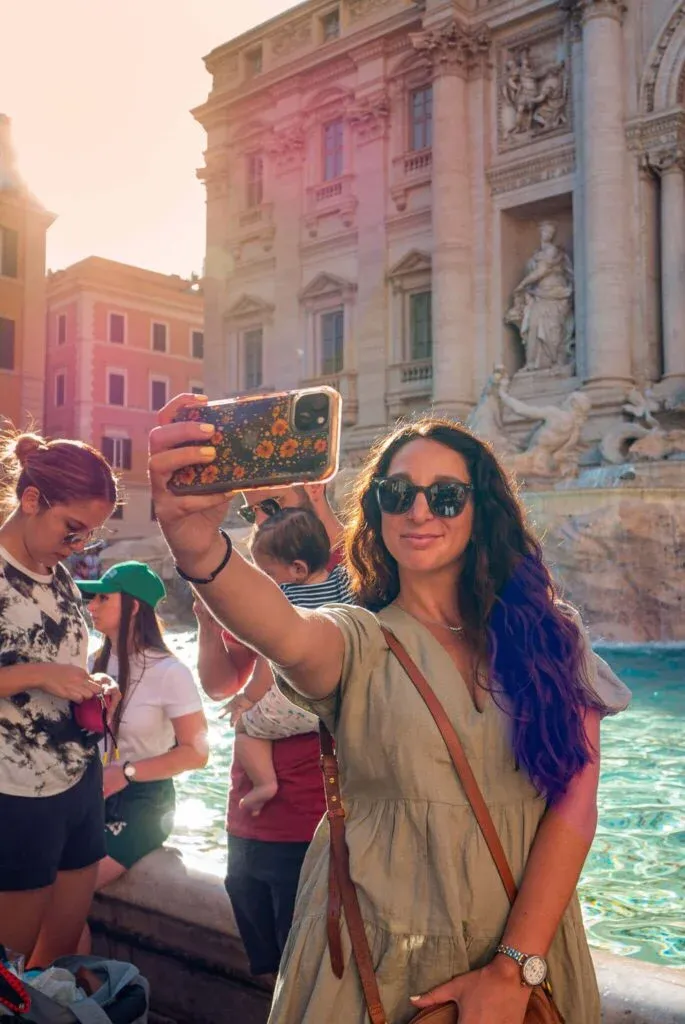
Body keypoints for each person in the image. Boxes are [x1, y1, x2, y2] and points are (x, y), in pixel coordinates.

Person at [150, 396, 631, 1024]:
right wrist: (195, 544)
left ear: (481, 509)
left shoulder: (550, 638)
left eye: (445, 496)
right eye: (396, 493)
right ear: (375, 509)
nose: (419, 511)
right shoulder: (356, 639)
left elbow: (576, 801)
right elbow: (285, 632)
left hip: (525, 950)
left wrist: (513, 970)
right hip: (375, 955)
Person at [193, 482, 342, 978]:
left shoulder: (346, 578)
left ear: (314, 498)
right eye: (252, 509)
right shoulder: (264, 587)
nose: (259, 518)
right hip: (250, 819)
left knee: (313, 976)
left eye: (272, 506)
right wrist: (207, 619)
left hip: (314, 815)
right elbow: (218, 685)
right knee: (276, 974)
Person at [0, 430, 119, 966]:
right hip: (15, 794)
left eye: (87, 538)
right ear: (31, 500)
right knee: (10, 967)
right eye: (71, 530)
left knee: (62, 951)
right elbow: (44, 670)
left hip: (78, 778)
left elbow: (66, 664)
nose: (76, 548)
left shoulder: (63, 577)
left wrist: (94, 683)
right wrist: (41, 674)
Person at [75, 561, 208, 931]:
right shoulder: (91, 663)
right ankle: (62, 982)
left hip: (143, 804)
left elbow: (196, 752)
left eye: (103, 598)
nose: (91, 607)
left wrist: (127, 773)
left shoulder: (171, 673)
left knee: (65, 893)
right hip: (90, 799)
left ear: (134, 606)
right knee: (47, 892)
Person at [232, 508, 353, 815]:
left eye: (268, 573)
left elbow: (267, 662)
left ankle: (264, 785)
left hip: (302, 700)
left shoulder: (284, 599)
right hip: (348, 698)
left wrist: (247, 698)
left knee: (245, 728)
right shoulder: (342, 581)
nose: (267, 581)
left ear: (297, 569)